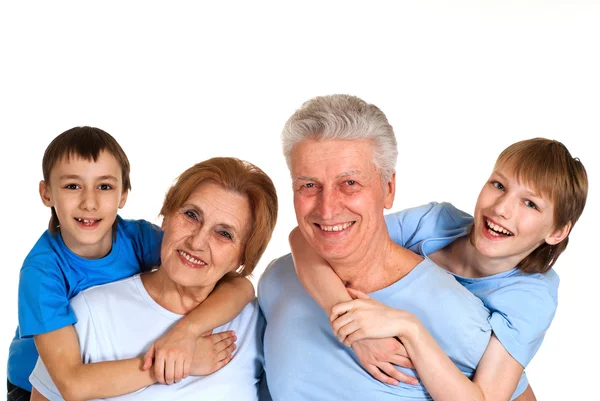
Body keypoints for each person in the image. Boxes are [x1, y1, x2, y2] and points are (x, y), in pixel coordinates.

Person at [291, 137, 588, 401]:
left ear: (558, 232)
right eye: (498, 185)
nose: (502, 209)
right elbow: (306, 239)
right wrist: (353, 327)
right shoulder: (434, 223)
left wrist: (410, 328)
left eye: (530, 204)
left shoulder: (531, 295)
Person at [259, 94, 496, 400]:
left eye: (350, 184)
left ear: (388, 189)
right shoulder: (277, 279)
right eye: (309, 185)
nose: (327, 209)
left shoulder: (455, 314)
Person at [7, 127, 255, 401]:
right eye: (72, 186)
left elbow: (238, 284)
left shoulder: (137, 238)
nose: (89, 202)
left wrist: (185, 334)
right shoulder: (41, 274)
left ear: (123, 194)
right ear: (46, 194)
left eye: (104, 186)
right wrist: (175, 362)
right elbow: (72, 384)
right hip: (33, 381)